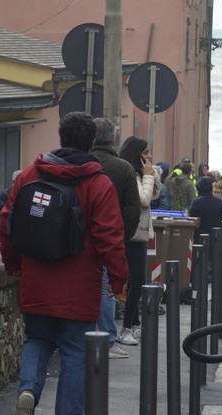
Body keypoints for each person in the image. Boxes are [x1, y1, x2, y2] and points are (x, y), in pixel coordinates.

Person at [0, 111, 128, 415]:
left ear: (60, 137)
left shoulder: (30, 175)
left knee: (37, 339)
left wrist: (12, 263)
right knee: (74, 353)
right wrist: (118, 279)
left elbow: (8, 222)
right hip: (79, 284)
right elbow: (110, 238)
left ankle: (28, 391)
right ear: (91, 142)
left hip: (37, 278)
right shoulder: (98, 184)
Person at [91, 118, 141, 358]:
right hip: (111, 237)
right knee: (107, 288)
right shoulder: (123, 168)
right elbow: (133, 210)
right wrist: (123, 236)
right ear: (112, 140)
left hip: (82, 238)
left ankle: (88, 337)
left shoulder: (83, 162)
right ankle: (108, 340)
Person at [116, 135, 159, 346]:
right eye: (145, 152)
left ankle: (134, 326)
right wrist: (148, 176)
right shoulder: (131, 175)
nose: (149, 156)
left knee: (135, 282)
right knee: (137, 282)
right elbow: (144, 199)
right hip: (133, 235)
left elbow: (154, 195)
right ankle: (126, 329)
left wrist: (151, 175)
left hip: (137, 233)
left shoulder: (138, 173)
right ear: (136, 154)